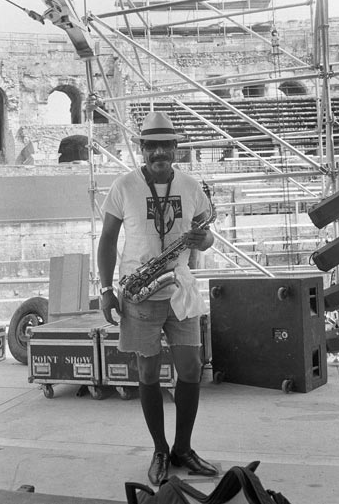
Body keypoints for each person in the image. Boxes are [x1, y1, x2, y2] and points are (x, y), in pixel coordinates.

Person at [97, 111, 218, 486]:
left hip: (179, 287)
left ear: (175, 149)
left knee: (191, 367)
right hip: (140, 292)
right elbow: (107, 240)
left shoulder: (193, 186)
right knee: (147, 373)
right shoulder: (124, 186)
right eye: (152, 146)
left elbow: (206, 235)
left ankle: (183, 448)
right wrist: (104, 289)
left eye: (166, 145)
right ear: (142, 148)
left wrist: (206, 240)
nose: (160, 152)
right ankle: (160, 450)